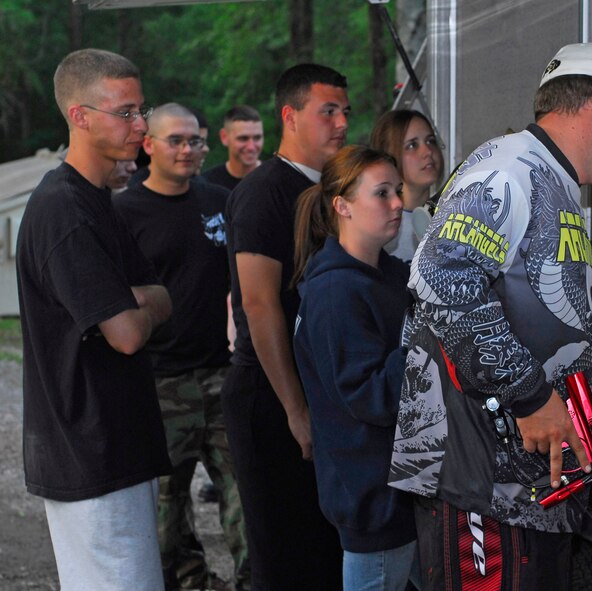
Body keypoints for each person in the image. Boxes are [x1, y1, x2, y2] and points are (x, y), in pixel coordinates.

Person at [388, 42, 592, 590]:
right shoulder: (507, 170)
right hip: (484, 484)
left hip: (530, 489)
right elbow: (442, 280)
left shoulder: (551, 178)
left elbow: (569, 271)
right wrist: (530, 396)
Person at [15, 48, 172, 590]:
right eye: (124, 112)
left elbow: (159, 295)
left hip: (115, 444)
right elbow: (126, 333)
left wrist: (138, 303)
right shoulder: (63, 209)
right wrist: (138, 305)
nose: (141, 123)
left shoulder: (97, 198)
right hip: (90, 452)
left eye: (141, 108)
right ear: (79, 116)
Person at [113, 103, 250, 591]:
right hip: (159, 384)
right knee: (165, 519)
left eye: (195, 141)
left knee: (248, 505)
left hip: (221, 374)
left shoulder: (219, 200)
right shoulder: (123, 211)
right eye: (176, 140)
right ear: (148, 145)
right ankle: (193, 583)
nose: (189, 150)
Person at [222, 63, 349, 589]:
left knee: (325, 551)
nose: (341, 123)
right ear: (290, 116)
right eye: (328, 111)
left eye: (345, 111)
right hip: (271, 398)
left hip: (323, 391)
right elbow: (259, 305)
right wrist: (295, 410)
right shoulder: (264, 192)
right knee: (284, 554)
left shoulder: (333, 190)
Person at [291, 146, 417, 590]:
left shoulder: (390, 276)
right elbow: (371, 396)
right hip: (375, 501)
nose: (398, 203)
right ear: (342, 206)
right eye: (382, 193)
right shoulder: (335, 292)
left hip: (403, 494)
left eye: (398, 191)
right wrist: (428, 342)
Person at [369, 109, 443, 262]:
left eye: (431, 141)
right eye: (412, 145)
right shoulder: (379, 225)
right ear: (388, 155)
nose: (428, 151)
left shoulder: (453, 217)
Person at [201, 104, 264, 190]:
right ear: (224, 137)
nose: (251, 147)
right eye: (243, 138)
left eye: (257, 138)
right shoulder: (207, 184)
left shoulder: (277, 180)